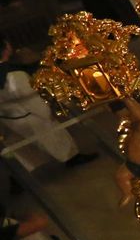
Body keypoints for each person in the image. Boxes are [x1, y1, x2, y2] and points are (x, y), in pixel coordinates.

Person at [1, 33, 95, 167]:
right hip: (29, 114)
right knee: (51, 136)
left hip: (10, 117)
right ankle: (71, 157)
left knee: (40, 142)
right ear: (6, 48)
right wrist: (46, 111)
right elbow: (29, 97)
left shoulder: (11, 72)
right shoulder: (13, 74)